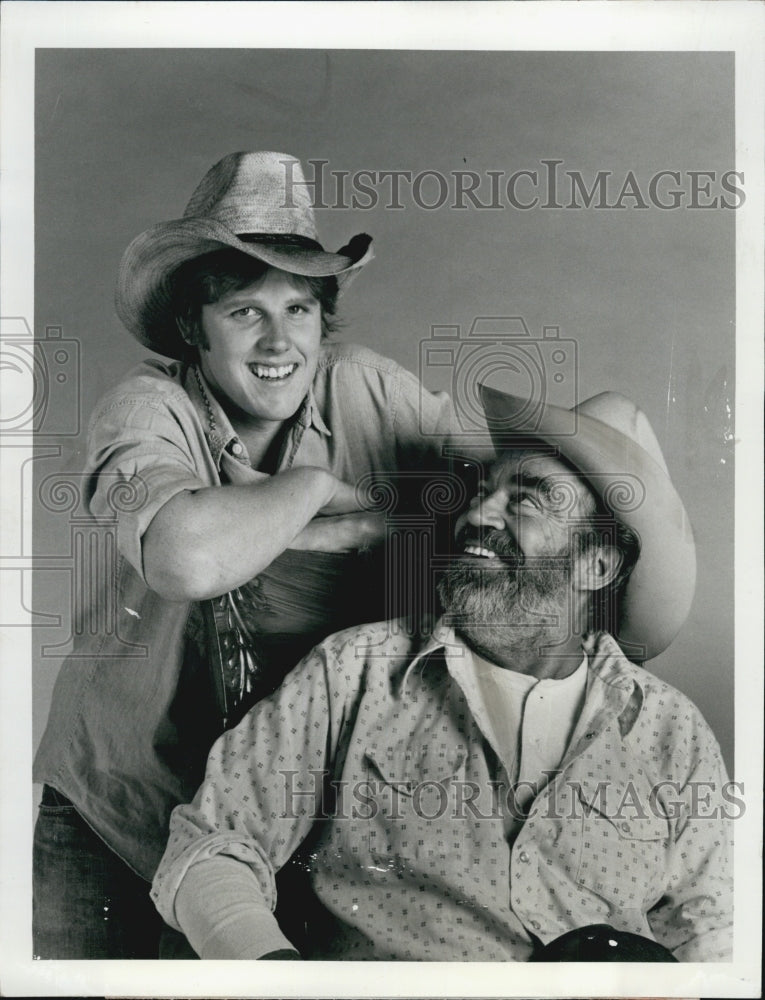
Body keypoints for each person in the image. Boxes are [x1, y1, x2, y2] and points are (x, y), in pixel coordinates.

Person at [32, 150, 456, 958]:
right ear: (193, 328)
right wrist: (312, 490)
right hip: (120, 808)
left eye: (299, 310)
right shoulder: (145, 407)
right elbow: (189, 561)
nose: (277, 340)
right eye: (243, 312)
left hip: (276, 818)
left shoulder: (367, 388)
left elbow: (500, 498)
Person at [151, 384, 733, 962]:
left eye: (524, 500)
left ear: (596, 564)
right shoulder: (354, 673)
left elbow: (710, 935)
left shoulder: (671, 731)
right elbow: (213, 847)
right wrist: (276, 979)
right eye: (483, 492)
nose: (477, 514)